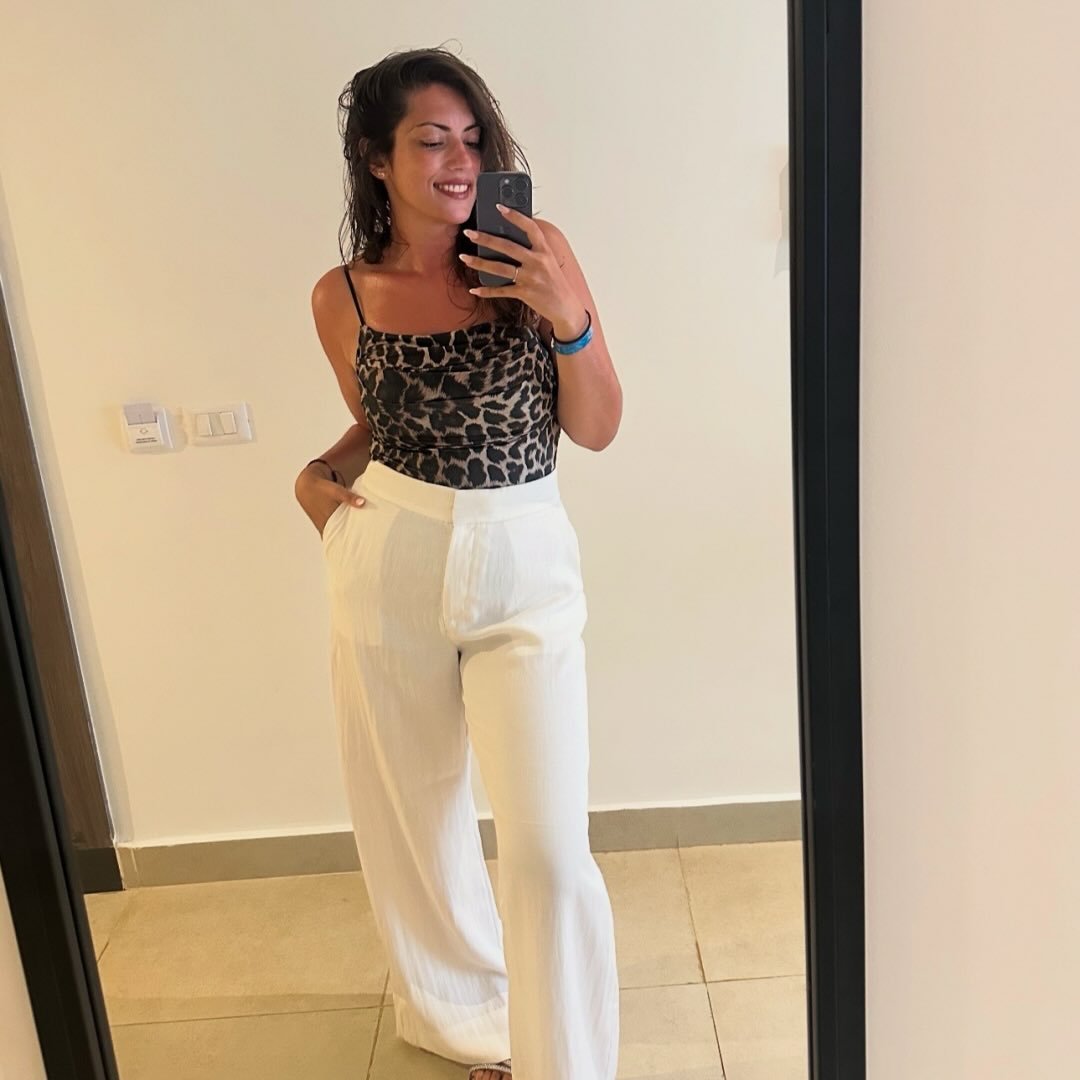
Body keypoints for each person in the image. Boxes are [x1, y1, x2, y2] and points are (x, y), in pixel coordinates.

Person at [295, 47, 623, 1080]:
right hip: (391, 554)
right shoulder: (343, 294)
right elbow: (386, 425)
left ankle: (564, 1062)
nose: (459, 161)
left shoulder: (538, 254)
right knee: (414, 823)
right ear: (375, 158)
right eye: (431, 140)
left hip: (525, 557)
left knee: (547, 850)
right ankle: (470, 1025)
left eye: (473, 140)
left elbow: (598, 427)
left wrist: (566, 314)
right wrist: (317, 475)